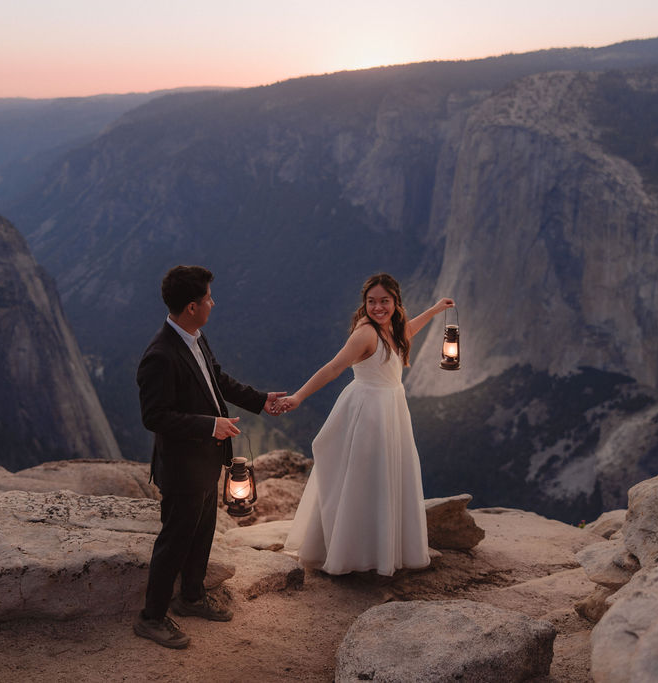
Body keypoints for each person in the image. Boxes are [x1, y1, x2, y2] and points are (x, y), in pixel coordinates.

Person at [134, 265, 285, 649]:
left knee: (201, 533)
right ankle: (151, 618)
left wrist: (259, 400)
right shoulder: (160, 355)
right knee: (174, 539)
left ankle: (191, 597)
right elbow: (154, 417)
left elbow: (217, 379)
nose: (212, 304)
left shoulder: (194, 338)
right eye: (207, 299)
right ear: (190, 307)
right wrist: (209, 425)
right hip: (182, 467)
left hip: (205, 462)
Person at [279, 273, 453, 576]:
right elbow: (333, 367)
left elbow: (408, 332)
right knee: (364, 479)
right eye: (371, 301)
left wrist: (436, 310)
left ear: (395, 302)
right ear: (365, 304)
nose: (377, 307)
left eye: (384, 301)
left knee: (382, 477)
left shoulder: (393, 329)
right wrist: (298, 396)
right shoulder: (365, 334)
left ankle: (378, 549)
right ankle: (356, 553)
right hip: (369, 412)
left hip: (390, 409)